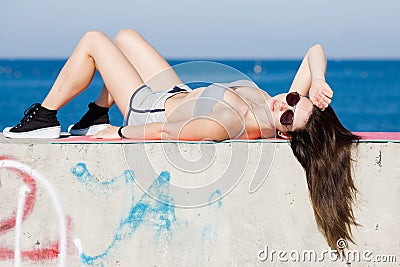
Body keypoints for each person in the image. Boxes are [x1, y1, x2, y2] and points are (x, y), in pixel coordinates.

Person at [2, 29, 359, 251]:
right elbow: (314, 50)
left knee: (95, 41)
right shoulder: (275, 108)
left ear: (284, 132)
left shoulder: (230, 121)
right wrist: (318, 83)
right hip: (178, 93)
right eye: (294, 98)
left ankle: (43, 118)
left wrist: (120, 133)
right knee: (126, 36)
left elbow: (167, 133)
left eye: (289, 112)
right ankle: (96, 110)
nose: (286, 101)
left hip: (148, 109)